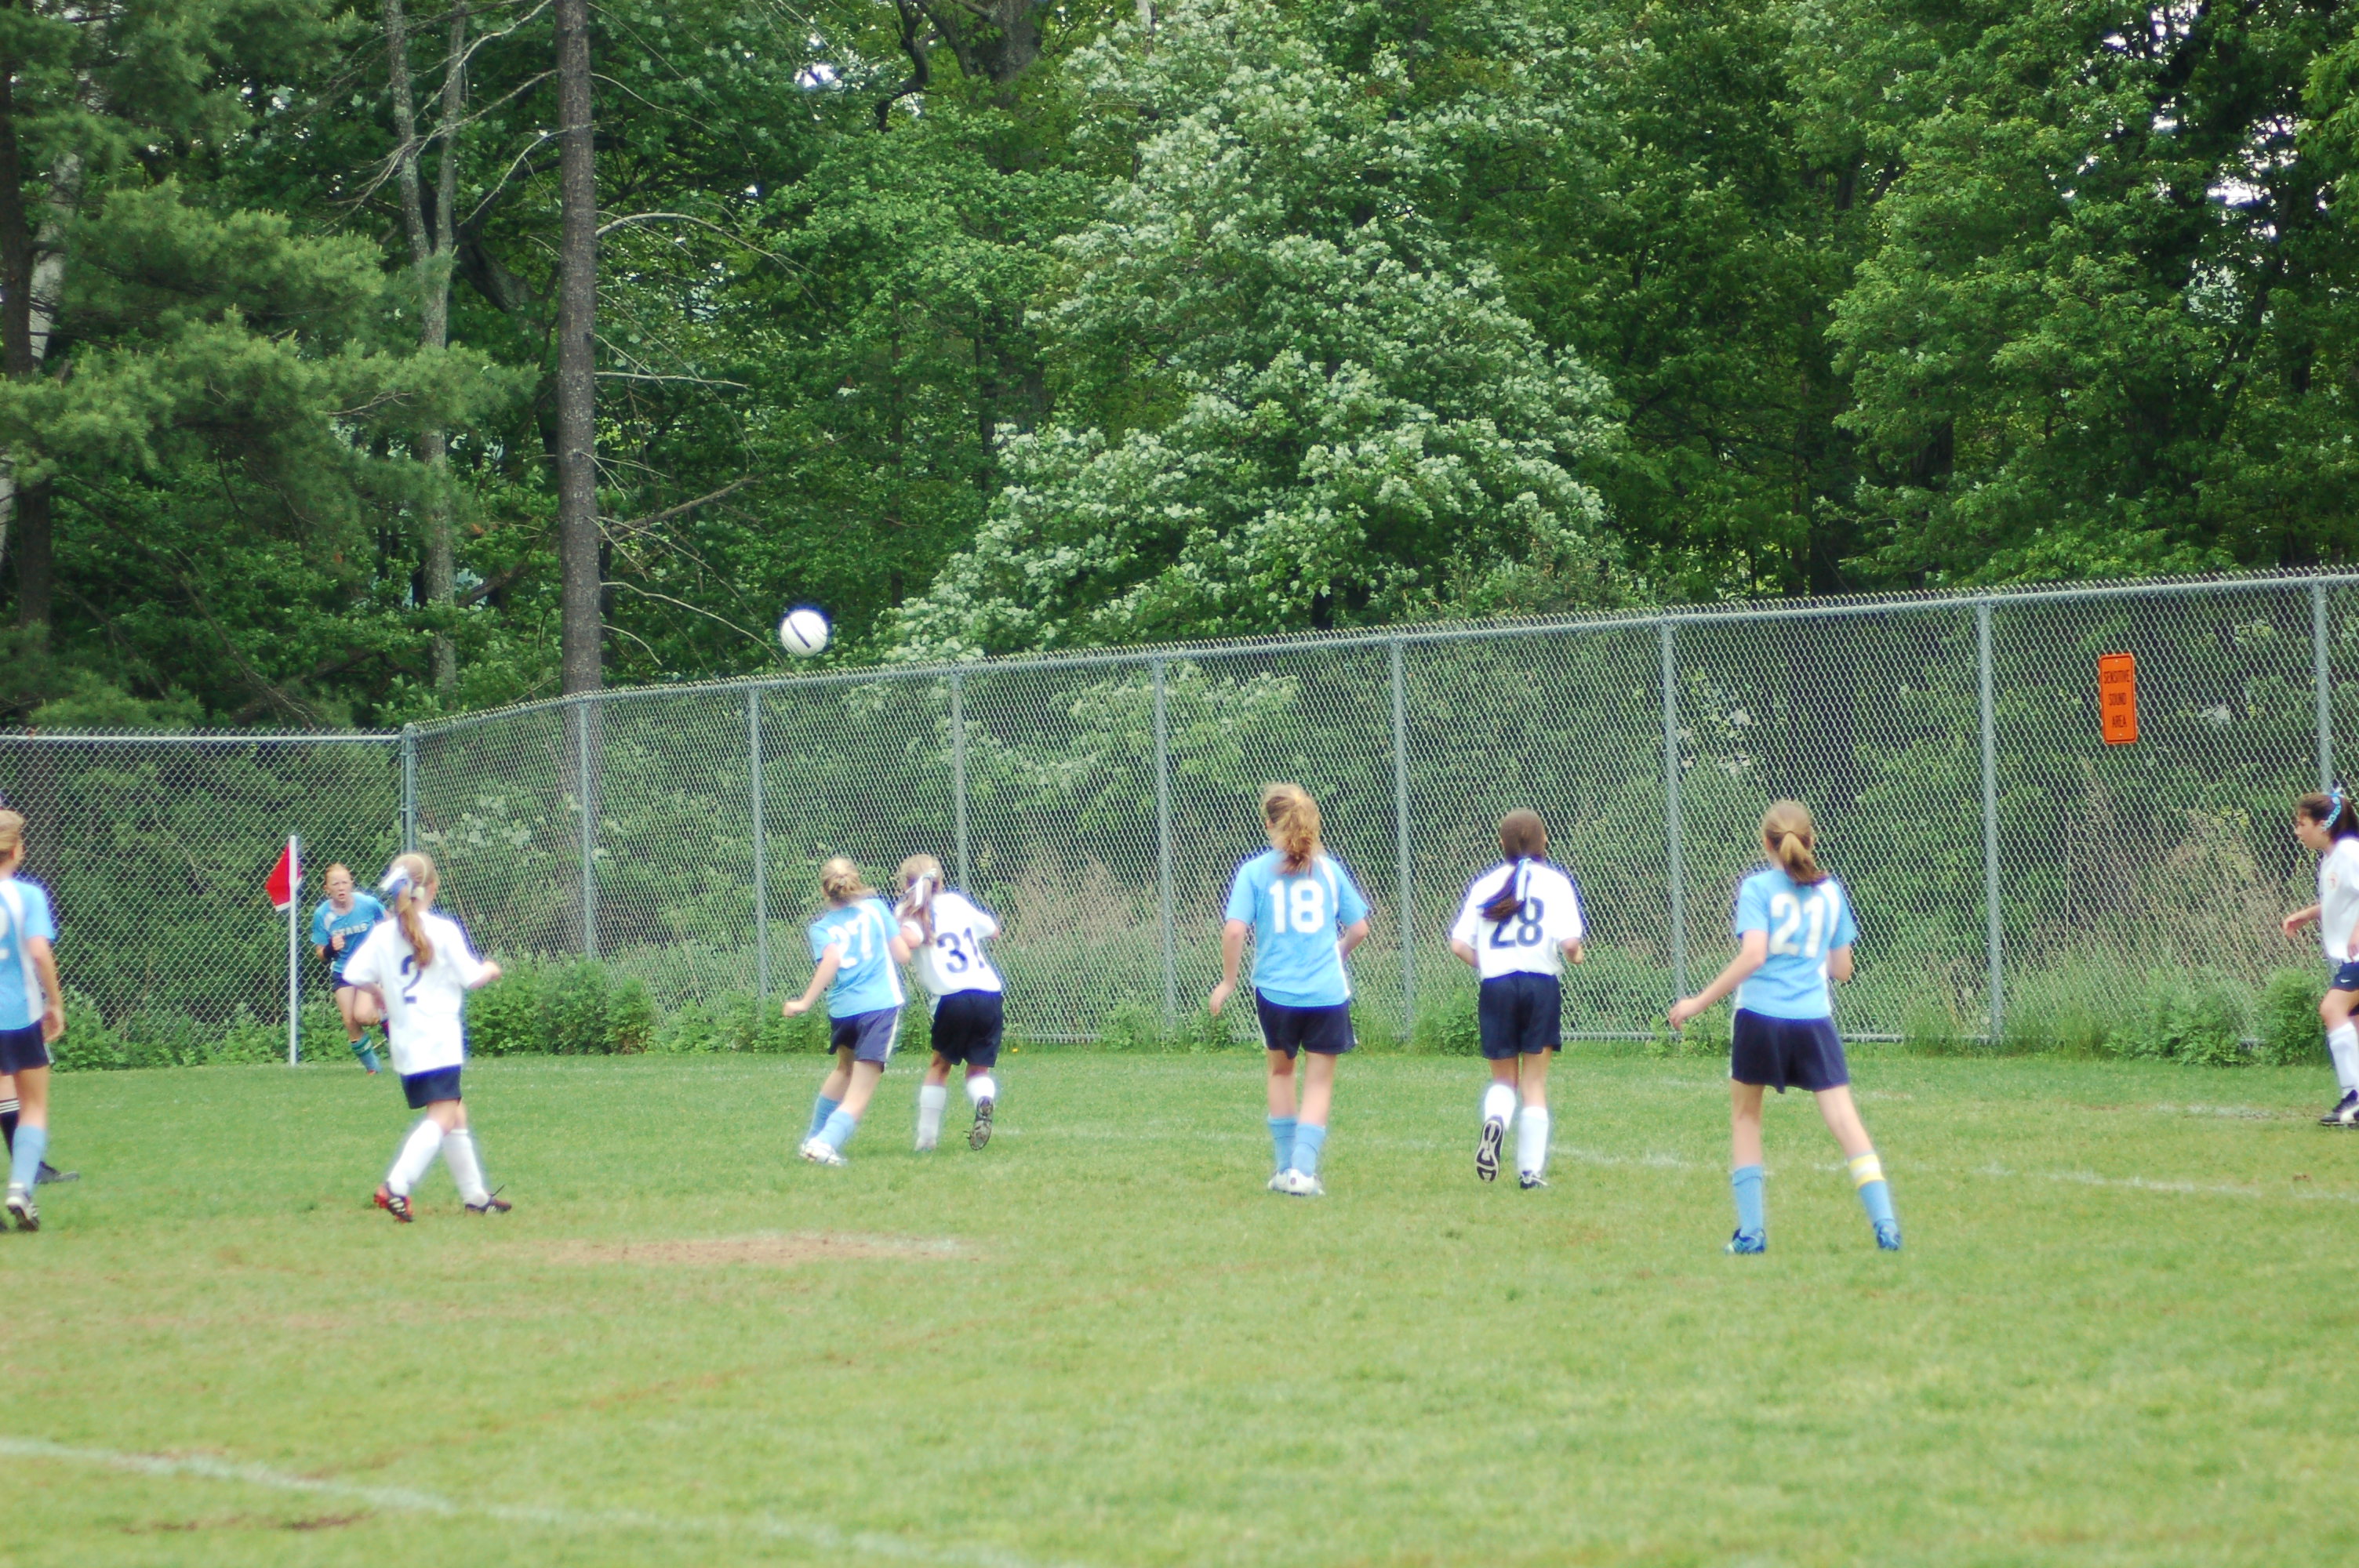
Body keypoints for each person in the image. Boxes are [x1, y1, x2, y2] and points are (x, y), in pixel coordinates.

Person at [1668, 800, 1899, 1254]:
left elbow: (1754, 955)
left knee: (1746, 1118)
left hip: (1760, 1018)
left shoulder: (1757, 888)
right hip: (1813, 1020)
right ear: (1811, 840)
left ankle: (1752, 1234)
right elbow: (1843, 970)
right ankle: (1886, 1225)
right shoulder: (1831, 892)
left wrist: (1697, 1002)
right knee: (1844, 1120)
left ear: (1766, 843)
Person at [1211, 783, 1372, 1198]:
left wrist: (1228, 981)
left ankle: (1285, 1169)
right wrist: (1338, 952)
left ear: (1269, 825)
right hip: (1326, 994)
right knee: (1318, 1083)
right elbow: (1359, 928)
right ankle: (1303, 1170)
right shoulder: (1330, 870)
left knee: (1281, 1072)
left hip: (1275, 993)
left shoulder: (1253, 872)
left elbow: (1234, 930)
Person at [342, 853, 509, 1221]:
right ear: (431, 887)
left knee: (454, 1111)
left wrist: (380, 992)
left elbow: (352, 975)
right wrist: (490, 969)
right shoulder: (442, 930)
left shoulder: (383, 933)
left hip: (406, 1044)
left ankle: (475, 1197)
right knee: (443, 1116)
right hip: (438, 1040)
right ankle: (396, 1185)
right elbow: (471, 978)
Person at [1447, 809, 1587, 1189]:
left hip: (1497, 986)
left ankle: (1496, 1120)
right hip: (1540, 985)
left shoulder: (1485, 884)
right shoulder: (1556, 882)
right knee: (1534, 1083)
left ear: (1502, 844)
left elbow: (1458, 944)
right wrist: (1576, 955)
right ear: (1544, 841)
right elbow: (1570, 943)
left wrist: (1490, 964)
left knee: (1504, 1080)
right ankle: (1529, 1173)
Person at [784, 857, 914, 1167]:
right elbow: (903, 955)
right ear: (857, 881)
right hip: (879, 1008)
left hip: (843, 1010)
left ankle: (813, 1138)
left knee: (844, 1069)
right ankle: (824, 1143)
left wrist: (804, 1002)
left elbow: (831, 958)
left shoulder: (820, 928)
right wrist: (906, 930)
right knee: (860, 1092)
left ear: (824, 890)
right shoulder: (876, 909)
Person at [893, 854, 1004, 1152]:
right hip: (989, 992)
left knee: (939, 1067)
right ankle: (984, 1098)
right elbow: (993, 931)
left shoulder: (911, 910)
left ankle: (926, 1140)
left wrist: (892, 931)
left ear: (905, 884)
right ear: (939, 880)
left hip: (952, 996)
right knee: (978, 1070)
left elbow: (909, 941)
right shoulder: (956, 902)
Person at [0, 810, 64, 1231]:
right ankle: (21, 1187)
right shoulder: (28, 895)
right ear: (17, 850)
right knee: (34, 1107)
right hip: (19, 1016)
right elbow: (39, 952)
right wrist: (54, 1004)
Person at [2283, 788, 2359, 1126]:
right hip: (2351, 958)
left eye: (2302, 823)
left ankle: (2354, 1097)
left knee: (2332, 1009)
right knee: (2353, 1024)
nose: (2297, 831)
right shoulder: (2333, 857)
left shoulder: (2350, 852)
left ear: (2323, 825)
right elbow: (2342, 898)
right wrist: (2308, 914)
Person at [311, 862, 388, 1073]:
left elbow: (389, 925)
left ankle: (387, 1014)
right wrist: (330, 949)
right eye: (335, 884)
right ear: (327, 889)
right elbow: (320, 954)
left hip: (369, 968)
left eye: (344, 882)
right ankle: (374, 1069)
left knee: (364, 1016)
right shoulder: (322, 915)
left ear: (351, 883)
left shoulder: (368, 904)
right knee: (350, 1020)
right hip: (343, 970)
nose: (341, 887)